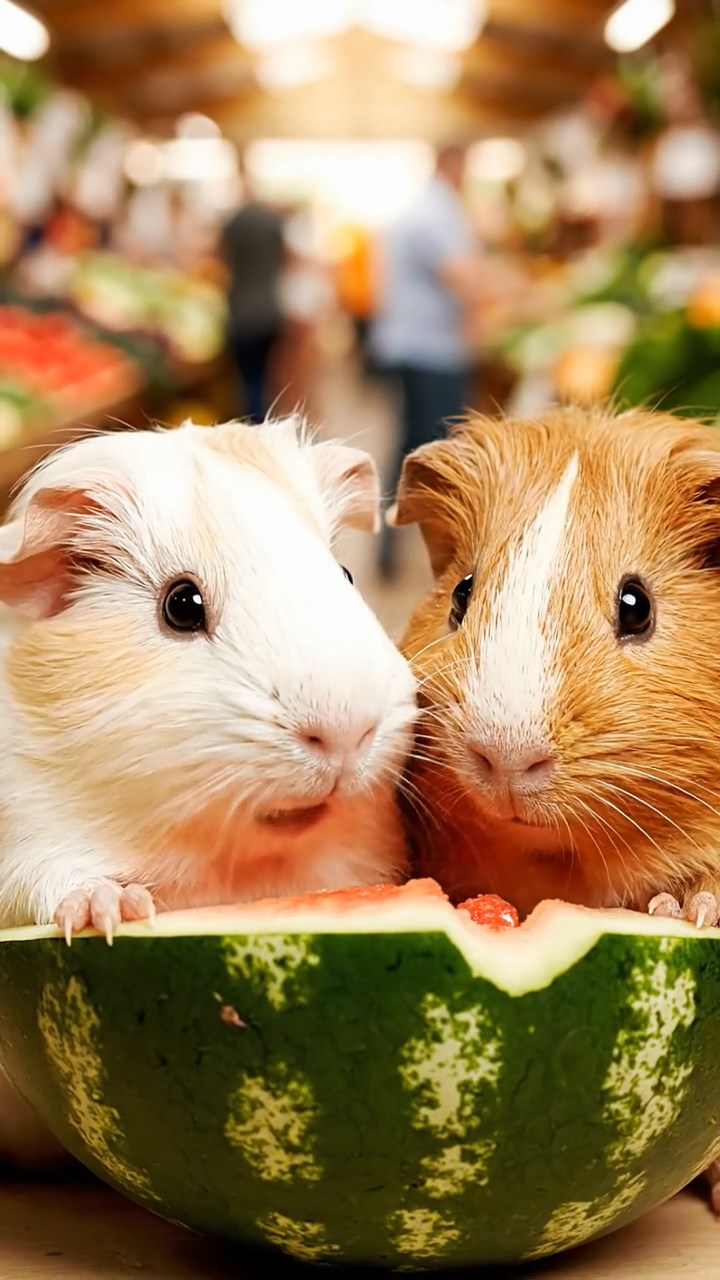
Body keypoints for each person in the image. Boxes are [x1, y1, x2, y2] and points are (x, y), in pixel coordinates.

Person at [370, 142, 484, 578]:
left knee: (412, 443)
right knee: (435, 450)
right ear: (452, 164)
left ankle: (392, 545)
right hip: (429, 348)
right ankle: (443, 551)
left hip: (411, 342)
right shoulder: (436, 214)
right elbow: (461, 276)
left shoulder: (424, 209)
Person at [220, 160, 286, 424]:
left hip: (242, 312)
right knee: (267, 375)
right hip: (271, 310)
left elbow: (220, 260)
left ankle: (253, 424)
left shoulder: (233, 222)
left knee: (248, 378)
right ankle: (264, 422)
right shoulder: (273, 221)